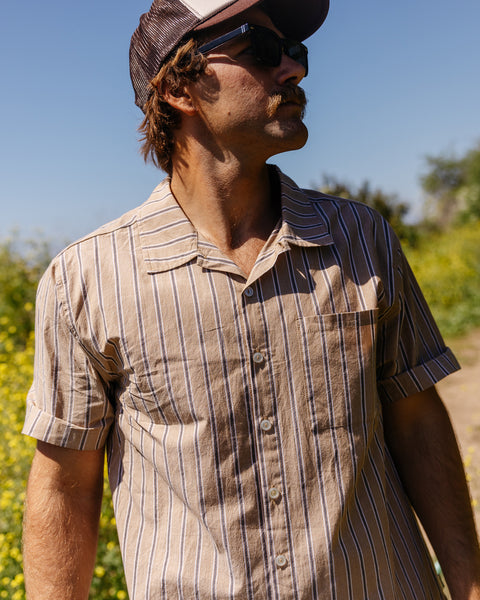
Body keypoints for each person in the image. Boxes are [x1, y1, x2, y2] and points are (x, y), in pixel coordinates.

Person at [22, 0, 480, 598]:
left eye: (297, 53)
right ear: (181, 87)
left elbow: (417, 422)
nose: (294, 71)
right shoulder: (84, 278)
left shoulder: (361, 239)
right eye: (262, 53)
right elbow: (64, 486)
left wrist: (470, 585)